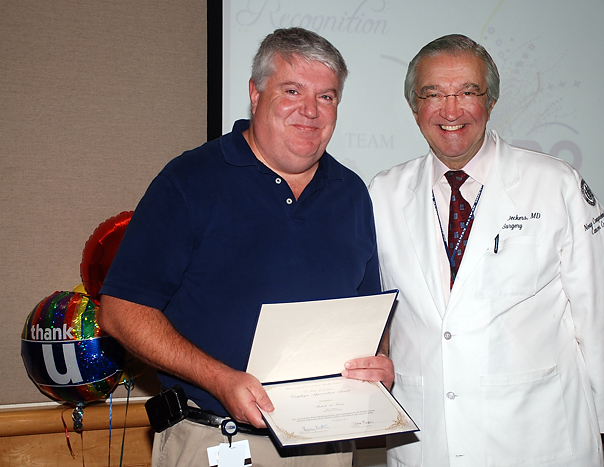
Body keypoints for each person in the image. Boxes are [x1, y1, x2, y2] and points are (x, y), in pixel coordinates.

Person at [98, 27, 393, 467]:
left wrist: (381, 360)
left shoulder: (351, 193)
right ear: (255, 94)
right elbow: (121, 311)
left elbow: (368, 310)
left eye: (326, 97)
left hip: (329, 446)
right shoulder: (190, 180)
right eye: (292, 91)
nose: (310, 111)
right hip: (219, 442)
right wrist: (220, 380)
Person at [368, 34, 604, 466]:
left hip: (536, 433)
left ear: (490, 101)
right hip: (426, 435)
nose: (451, 111)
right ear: (414, 107)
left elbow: (603, 313)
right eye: (432, 94)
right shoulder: (383, 192)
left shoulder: (555, 184)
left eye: (468, 92)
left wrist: (596, 417)